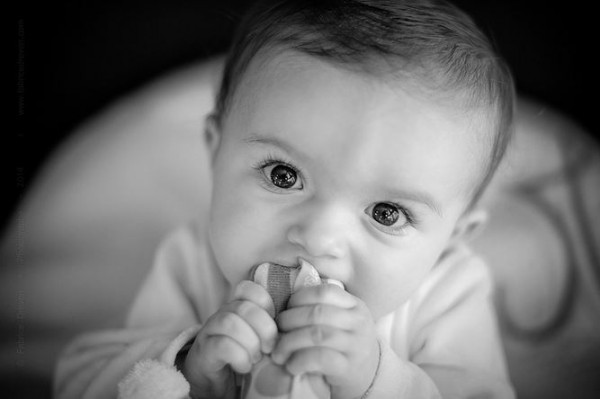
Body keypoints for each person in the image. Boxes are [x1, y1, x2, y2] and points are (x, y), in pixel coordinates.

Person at [54, 0, 516, 397]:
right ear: (215, 152)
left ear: (453, 237)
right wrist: (188, 369)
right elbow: (81, 380)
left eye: (386, 213)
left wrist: (376, 379)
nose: (318, 239)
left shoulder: (449, 293)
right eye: (283, 174)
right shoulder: (191, 260)